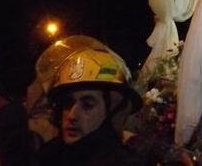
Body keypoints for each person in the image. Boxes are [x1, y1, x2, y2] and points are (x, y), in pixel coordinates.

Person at [33, 36, 144, 166]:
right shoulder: (46, 157)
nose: (72, 116)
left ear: (112, 112)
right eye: (68, 104)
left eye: (87, 105)